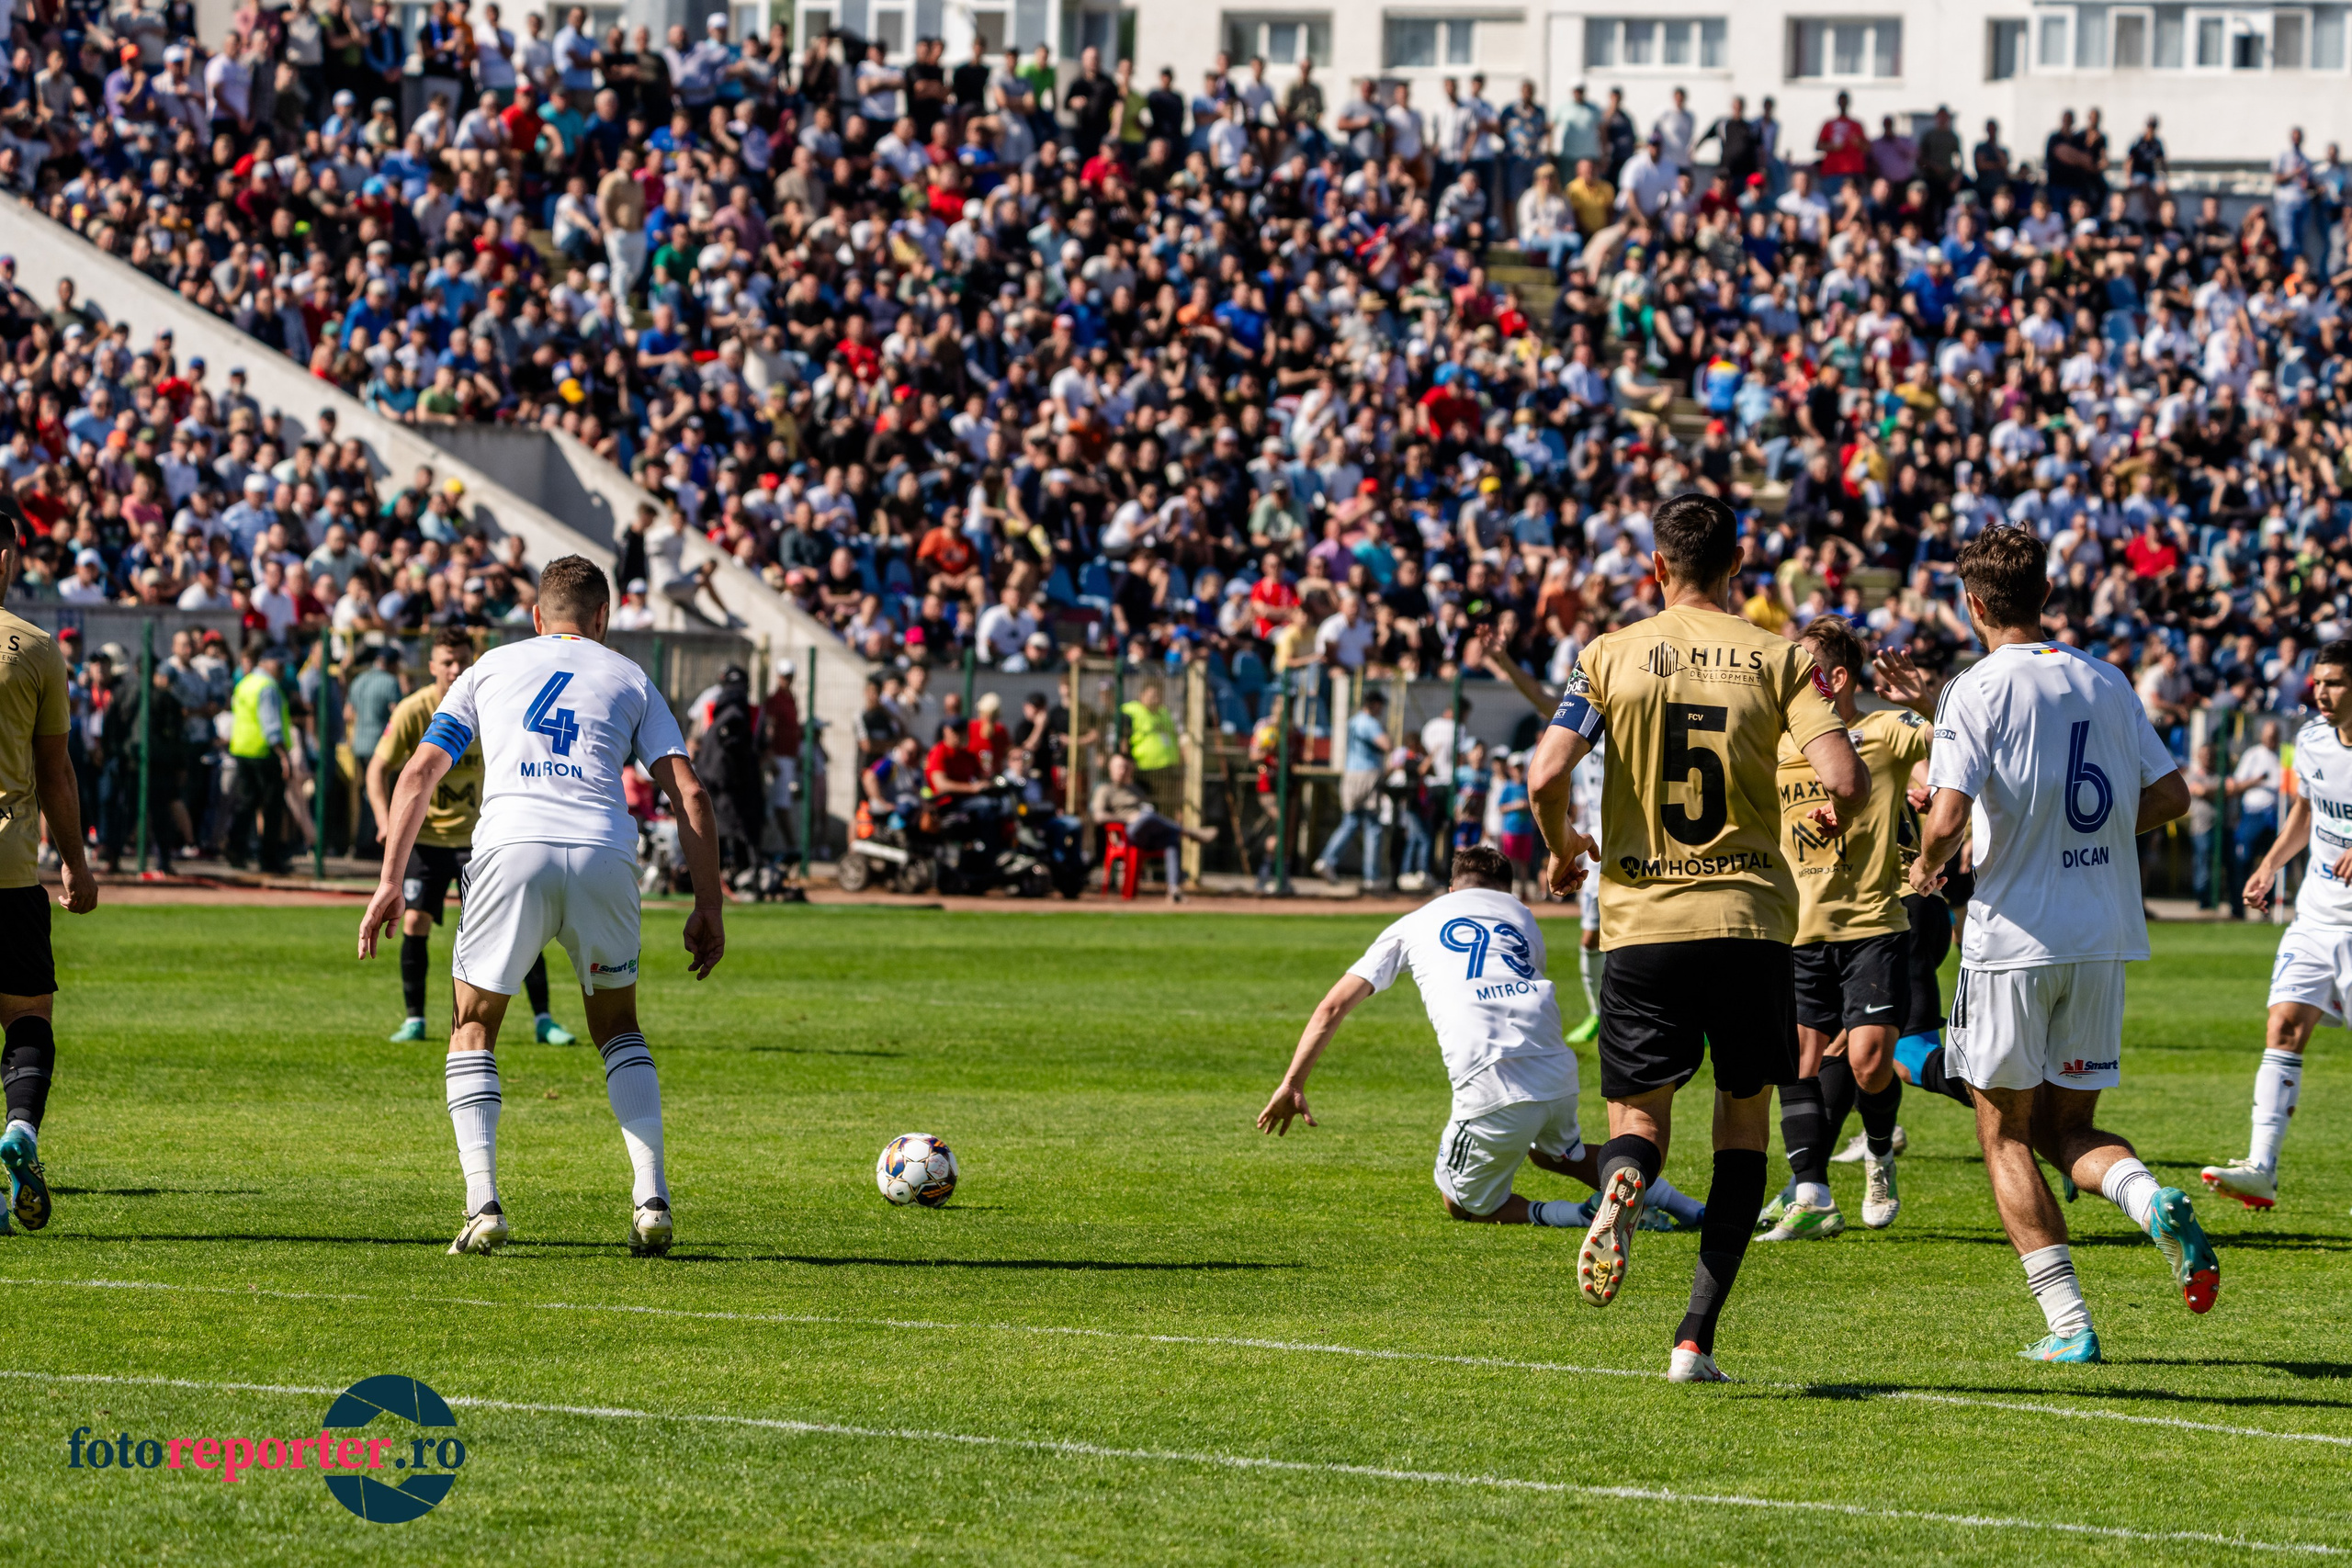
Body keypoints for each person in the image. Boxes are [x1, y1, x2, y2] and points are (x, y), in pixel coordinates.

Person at [1528, 492, 1866, 1383]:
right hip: (1751, 923)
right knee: (1741, 1128)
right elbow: (1844, 774)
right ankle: (1693, 1340)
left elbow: (1545, 771)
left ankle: (1626, 1176)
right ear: (1737, 568)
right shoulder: (1775, 657)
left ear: (1654, 569)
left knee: (1638, 1120)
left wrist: (1566, 853)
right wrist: (1831, 814)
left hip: (1641, 926)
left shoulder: (1608, 656)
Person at [360, 557, 725, 1258]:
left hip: (509, 848)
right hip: (602, 851)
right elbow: (693, 795)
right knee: (618, 1027)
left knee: (473, 1024)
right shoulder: (629, 675)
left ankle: (483, 1205)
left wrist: (388, 880)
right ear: (602, 620)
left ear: (535, 618)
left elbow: (418, 772)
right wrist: (708, 901)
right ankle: (651, 1198)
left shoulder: (488, 667)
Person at [1910, 525, 2208, 1365]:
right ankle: (2149, 1201)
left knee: (2002, 1130)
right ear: (2047, 594)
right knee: (2069, 1123)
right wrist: (2107, 832)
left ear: (1973, 604)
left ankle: (2070, 1321)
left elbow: (1945, 814)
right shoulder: (2107, 679)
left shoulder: (1973, 688)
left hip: (2013, 937)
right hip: (2103, 933)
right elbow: (2173, 793)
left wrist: (1926, 868)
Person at [1259, 844, 1703, 1231]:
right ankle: (1688, 1207)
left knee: (1462, 1205)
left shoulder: (1414, 921)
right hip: (1556, 1065)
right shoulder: (1522, 915)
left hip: (1489, 1078)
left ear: (1452, 889)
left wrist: (1293, 1083)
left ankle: (1581, 1215)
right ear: (1505, 892)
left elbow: (1332, 1007)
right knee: (1556, 1154)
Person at [1757, 616, 1931, 1239]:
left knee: (1869, 1060)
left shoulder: (1884, 730)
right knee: (1800, 1063)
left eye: (1802, 671)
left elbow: (1962, 741)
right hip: (1800, 931)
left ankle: (1879, 1150)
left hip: (1872, 923)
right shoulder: (1780, 741)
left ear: (1835, 678)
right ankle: (1813, 1194)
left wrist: (1924, 700)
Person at [369, 628, 577, 1047]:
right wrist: (384, 820)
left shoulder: (490, 703)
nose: (453, 669)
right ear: (431, 666)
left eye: (461, 660)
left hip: (479, 839)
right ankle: (415, 1019)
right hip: (426, 839)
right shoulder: (415, 710)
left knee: (520, 924)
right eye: (445, 661)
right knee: (414, 920)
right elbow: (378, 768)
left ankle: (544, 1019)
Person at [2203, 641, 2352, 1211]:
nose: (2321, 692)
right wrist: (2269, 865)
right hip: (2315, 918)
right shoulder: (2310, 740)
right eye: (2318, 682)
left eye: (2335, 682)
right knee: (2283, 1024)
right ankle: (2261, 1166)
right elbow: (2307, 812)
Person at [0, 496, 97, 1235]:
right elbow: (56, 772)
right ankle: (22, 1130)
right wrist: (77, 865)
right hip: (8, 870)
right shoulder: (33, 647)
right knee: (28, 1012)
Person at [1313, 688, 1391, 889]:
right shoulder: (1370, 723)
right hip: (1366, 776)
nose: (1382, 709)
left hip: (1350, 775)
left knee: (1351, 821)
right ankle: (1371, 877)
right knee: (1373, 825)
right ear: (1374, 704)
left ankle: (1327, 860)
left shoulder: (1353, 721)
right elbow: (1387, 744)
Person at [225, 645, 293, 874]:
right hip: (264, 753)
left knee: (246, 803)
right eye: (280, 664)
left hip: (243, 749)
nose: (283, 670)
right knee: (272, 807)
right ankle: (269, 858)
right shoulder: (267, 687)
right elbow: (271, 724)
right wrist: (283, 755)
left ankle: (235, 848)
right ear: (267, 662)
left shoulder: (246, 682)